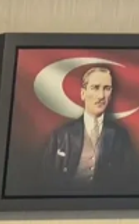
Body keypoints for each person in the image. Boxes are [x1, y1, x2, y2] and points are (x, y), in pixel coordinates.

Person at [38, 65, 139, 193]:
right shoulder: (61, 135)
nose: (101, 95)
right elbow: (46, 180)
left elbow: (128, 181)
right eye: (95, 88)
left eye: (107, 88)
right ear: (83, 93)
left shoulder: (120, 136)